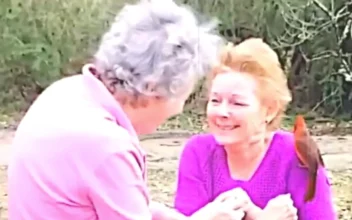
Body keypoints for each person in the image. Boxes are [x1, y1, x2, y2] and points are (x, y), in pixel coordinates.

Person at [7, 0, 248, 219]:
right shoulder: (107, 145)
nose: (180, 107)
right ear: (154, 88)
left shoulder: (64, 94)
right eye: (185, 92)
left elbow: (112, 198)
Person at [174, 38, 337, 220]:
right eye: (215, 100)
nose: (222, 112)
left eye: (237, 103)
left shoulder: (296, 156)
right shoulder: (198, 153)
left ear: (269, 110)